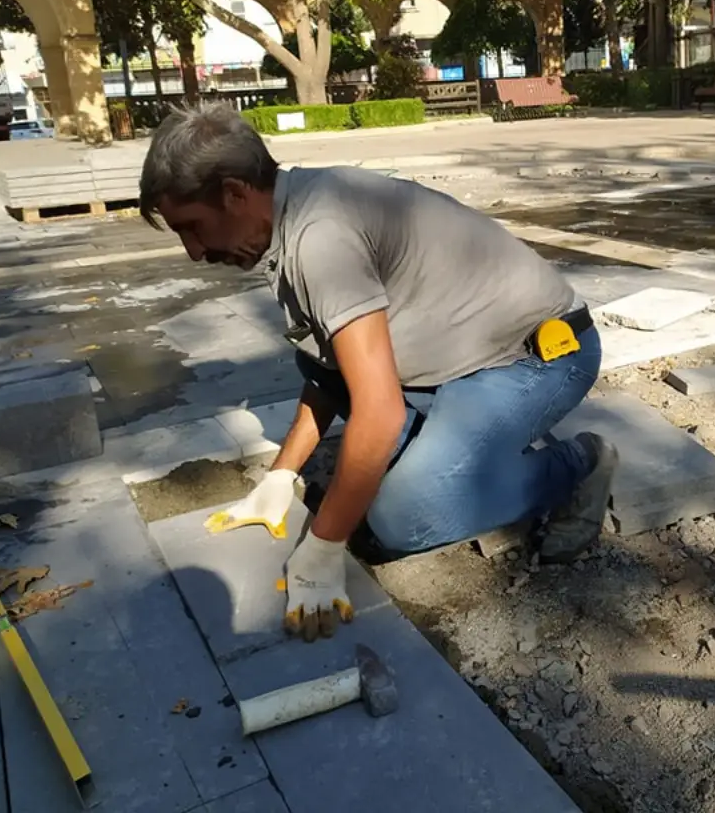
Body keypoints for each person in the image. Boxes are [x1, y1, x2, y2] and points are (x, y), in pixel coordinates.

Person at [139, 102, 618, 642]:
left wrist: (322, 549)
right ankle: (492, 454)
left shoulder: (320, 237)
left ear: (233, 192)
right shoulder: (294, 211)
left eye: (193, 228)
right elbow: (328, 369)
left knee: (404, 515)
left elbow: (380, 410)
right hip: (459, 363)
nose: (194, 251)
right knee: (334, 378)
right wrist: (281, 475)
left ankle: (580, 462)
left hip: (538, 357)